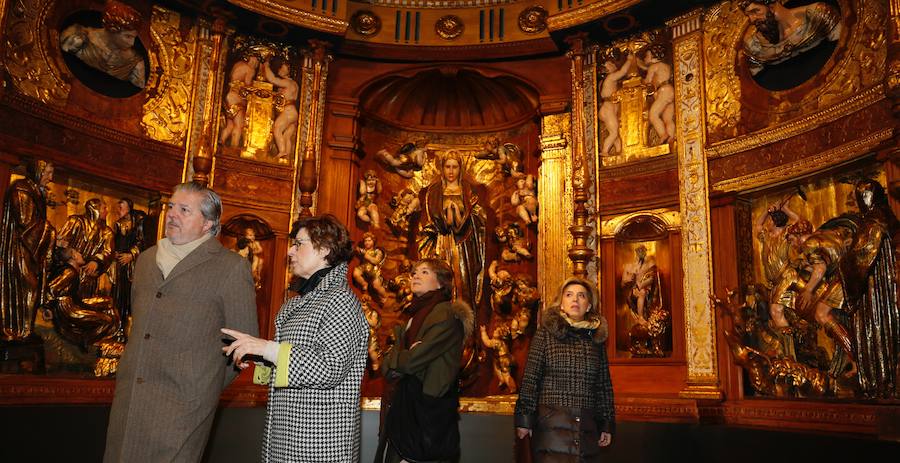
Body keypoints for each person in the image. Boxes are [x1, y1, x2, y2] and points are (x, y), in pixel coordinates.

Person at [104, 182, 258, 463]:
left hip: (182, 410)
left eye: (184, 210)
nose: (172, 214)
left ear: (208, 223)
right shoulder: (147, 260)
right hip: (130, 401)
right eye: (171, 207)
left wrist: (199, 388)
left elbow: (241, 348)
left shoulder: (231, 268)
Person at [221, 214, 368, 462]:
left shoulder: (340, 300)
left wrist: (268, 349)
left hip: (318, 443)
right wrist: (257, 354)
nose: (290, 251)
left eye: (299, 244)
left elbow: (330, 367)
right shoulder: (298, 303)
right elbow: (293, 357)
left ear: (325, 249)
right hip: (289, 435)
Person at [376, 258, 474, 463]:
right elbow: (387, 365)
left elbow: (411, 361)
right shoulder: (413, 316)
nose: (415, 276)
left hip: (427, 415)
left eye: (424, 272)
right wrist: (401, 355)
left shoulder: (446, 315)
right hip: (406, 409)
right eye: (414, 272)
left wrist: (399, 356)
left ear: (440, 283)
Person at [515, 277, 615, 462]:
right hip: (551, 426)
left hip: (586, 428)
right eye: (569, 295)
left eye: (581, 296)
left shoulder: (596, 341)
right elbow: (530, 379)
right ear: (561, 303)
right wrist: (524, 420)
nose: (575, 300)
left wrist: (606, 424)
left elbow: (603, 386)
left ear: (589, 305)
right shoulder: (545, 334)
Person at [416, 150, 487, 309]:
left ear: (460, 169)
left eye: (455, 167)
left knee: (462, 282)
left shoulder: (467, 190)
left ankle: (462, 324)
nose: (451, 171)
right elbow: (428, 219)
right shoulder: (434, 191)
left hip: (463, 244)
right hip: (441, 241)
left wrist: (463, 218)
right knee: (441, 281)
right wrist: (443, 219)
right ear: (442, 168)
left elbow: (479, 218)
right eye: (447, 166)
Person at [0, 159, 56, 341]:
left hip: (29, 249)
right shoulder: (21, 189)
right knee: (27, 287)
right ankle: (18, 331)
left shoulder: (35, 191)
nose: (50, 177)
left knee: (29, 287)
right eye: (47, 173)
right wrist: (50, 232)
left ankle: (24, 331)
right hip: (18, 248)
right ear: (38, 171)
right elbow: (26, 221)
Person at [738, 0, 841, 75]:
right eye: (748, 15)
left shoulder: (817, 16)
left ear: (772, 6)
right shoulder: (755, 47)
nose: (752, 20)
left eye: (755, 11)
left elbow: (844, 47)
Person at [59, 0, 146, 88]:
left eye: (134, 37)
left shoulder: (134, 62)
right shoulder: (77, 37)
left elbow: (140, 84)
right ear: (112, 30)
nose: (132, 43)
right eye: (128, 36)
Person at [58, 198, 115, 303]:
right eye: (104, 208)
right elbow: (60, 242)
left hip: (89, 277)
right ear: (94, 209)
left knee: (87, 301)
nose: (107, 211)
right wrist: (71, 254)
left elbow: (108, 252)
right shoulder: (75, 221)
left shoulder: (107, 232)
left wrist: (96, 262)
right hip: (68, 269)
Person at [110, 198, 146, 338]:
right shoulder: (118, 224)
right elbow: (116, 242)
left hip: (133, 264)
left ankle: (127, 330)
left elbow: (141, 241)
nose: (119, 209)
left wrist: (131, 254)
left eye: (122, 206)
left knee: (130, 296)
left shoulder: (138, 221)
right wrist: (116, 253)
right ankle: (117, 328)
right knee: (118, 295)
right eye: (118, 207)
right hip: (120, 264)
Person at [219, 54, 260, 147]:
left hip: (228, 96)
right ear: (254, 60)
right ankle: (234, 147)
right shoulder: (250, 69)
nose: (256, 64)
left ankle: (221, 141)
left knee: (230, 124)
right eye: (257, 61)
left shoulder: (238, 64)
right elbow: (247, 85)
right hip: (236, 98)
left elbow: (231, 77)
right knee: (239, 125)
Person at [263, 58, 299, 160]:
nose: (280, 70)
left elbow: (273, 79)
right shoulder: (294, 84)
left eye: (283, 69)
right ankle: (286, 158)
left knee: (277, 128)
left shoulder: (288, 83)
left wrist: (266, 65)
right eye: (281, 68)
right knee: (287, 136)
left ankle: (282, 152)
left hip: (288, 111)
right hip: (292, 113)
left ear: (289, 71)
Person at [599, 51, 633, 156]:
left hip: (607, 109)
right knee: (614, 132)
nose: (613, 65)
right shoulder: (610, 77)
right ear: (607, 68)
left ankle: (619, 151)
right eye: (610, 64)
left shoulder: (605, 81)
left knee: (614, 132)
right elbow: (623, 72)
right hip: (607, 108)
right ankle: (605, 151)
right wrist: (629, 60)